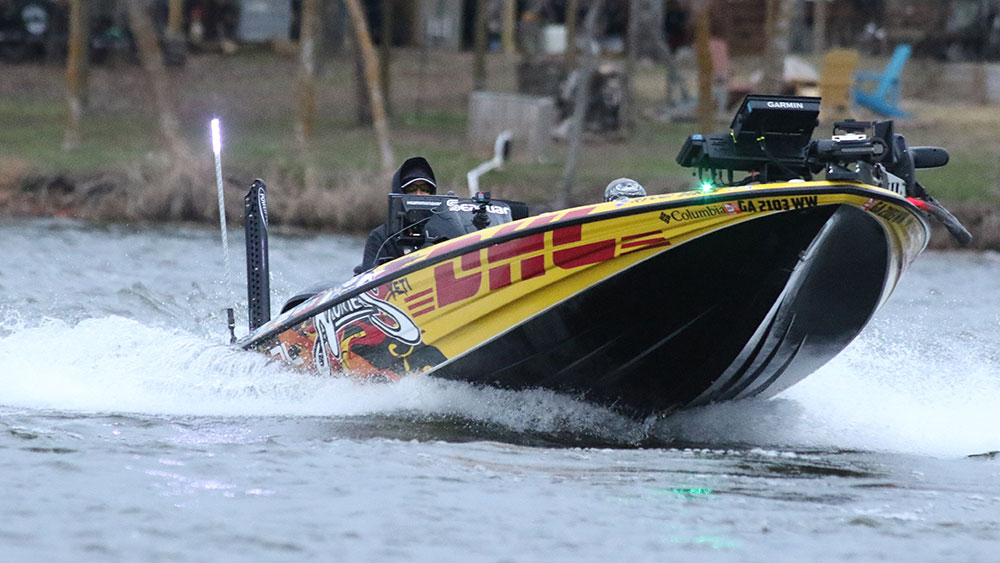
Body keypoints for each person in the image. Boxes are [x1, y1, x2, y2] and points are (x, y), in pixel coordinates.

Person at [355, 157, 438, 274]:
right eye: (411, 189)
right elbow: (371, 276)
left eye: (425, 189)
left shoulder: (441, 233)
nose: (418, 194)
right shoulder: (380, 236)